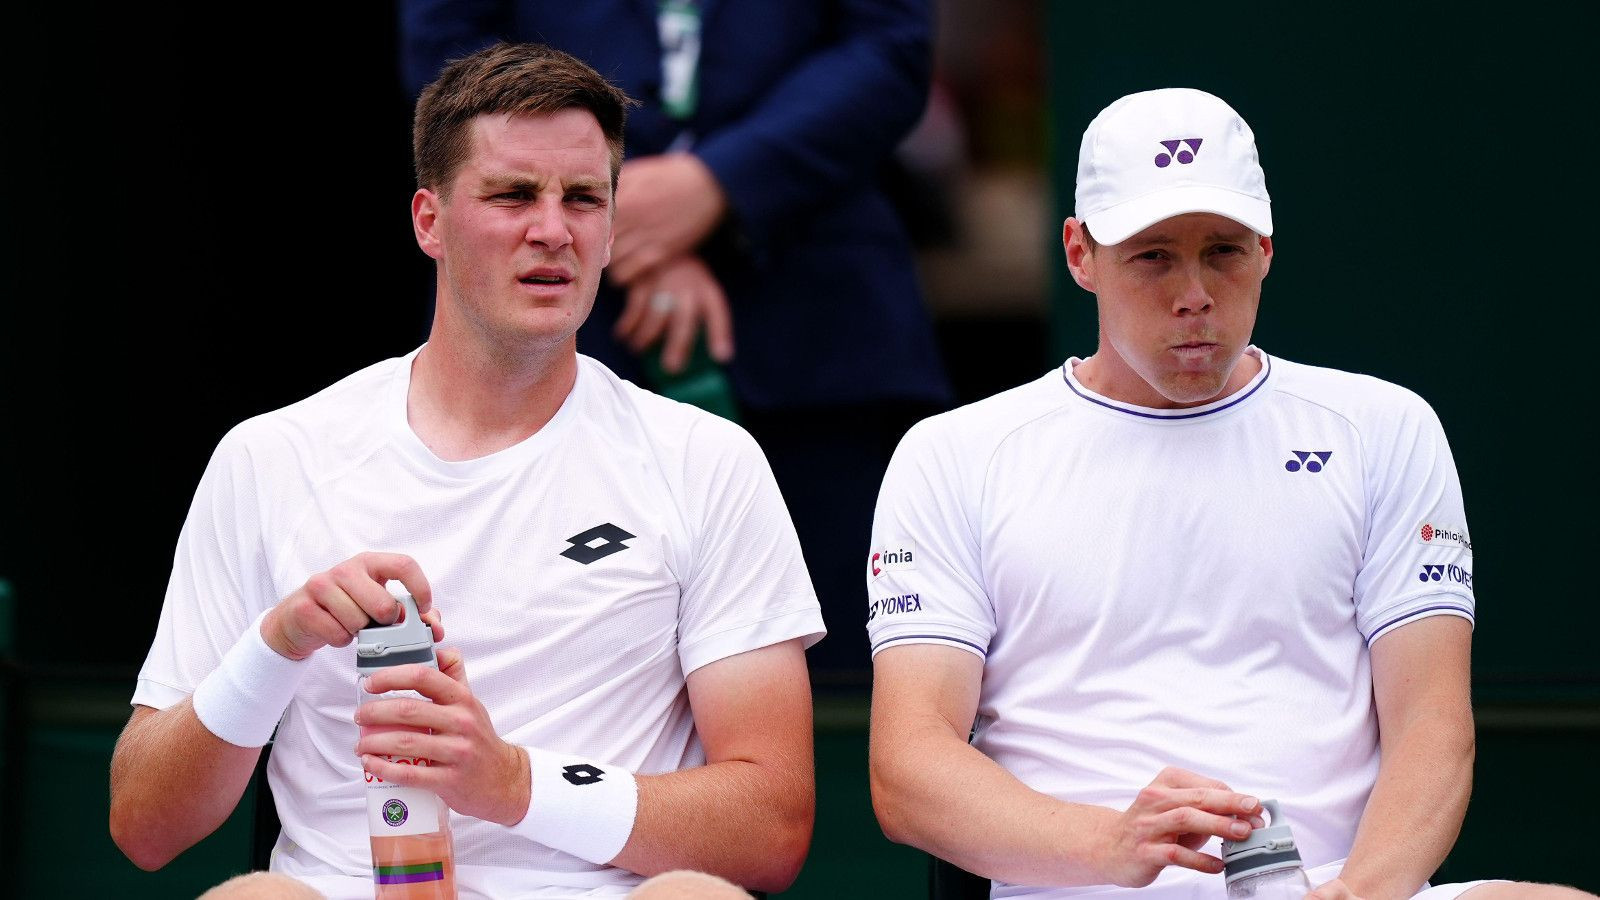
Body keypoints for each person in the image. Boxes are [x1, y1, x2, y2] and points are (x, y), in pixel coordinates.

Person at [109, 43, 824, 898]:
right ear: (429, 221)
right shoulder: (275, 455)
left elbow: (773, 827)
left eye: (584, 198)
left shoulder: (704, 459)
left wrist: (515, 784)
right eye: (513, 194)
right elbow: (144, 828)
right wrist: (278, 645)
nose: (552, 229)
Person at [866, 88, 1593, 900]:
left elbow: (1432, 729)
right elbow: (908, 769)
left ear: (1268, 250)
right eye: (1152, 255)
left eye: (1224, 250)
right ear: (1079, 255)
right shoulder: (954, 455)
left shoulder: (1384, 426)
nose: (1195, 294)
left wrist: (1360, 895)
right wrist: (1107, 843)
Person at [398, 1, 955, 679]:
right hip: (547, 348)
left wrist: (717, 185)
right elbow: (448, 50)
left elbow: (887, 44)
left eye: (584, 199)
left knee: (839, 689)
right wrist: (597, 201)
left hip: (815, 338)